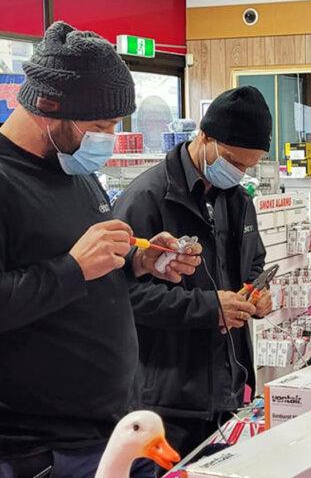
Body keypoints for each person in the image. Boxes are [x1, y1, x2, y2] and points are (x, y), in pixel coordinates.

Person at [0, 22, 200, 478]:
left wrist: (136, 261)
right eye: (102, 125)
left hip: (106, 438)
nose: (110, 138)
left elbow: (84, 277)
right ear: (47, 108)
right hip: (32, 458)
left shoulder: (75, 173)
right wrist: (72, 267)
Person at [114, 86, 274, 454]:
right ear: (205, 137)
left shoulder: (238, 200)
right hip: (166, 398)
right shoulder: (147, 199)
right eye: (233, 161)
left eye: (248, 166)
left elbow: (254, 261)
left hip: (227, 389)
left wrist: (255, 294)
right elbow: (121, 295)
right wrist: (208, 308)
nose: (238, 172)